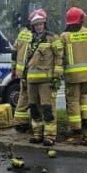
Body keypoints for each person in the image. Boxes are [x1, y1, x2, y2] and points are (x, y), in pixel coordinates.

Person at [22, 9, 63, 146]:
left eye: (41, 24)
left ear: (44, 24)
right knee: (34, 108)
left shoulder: (53, 38)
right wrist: (24, 77)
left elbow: (59, 58)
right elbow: (26, 60)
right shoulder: (30, 39)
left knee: (47, 108)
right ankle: (37, 134)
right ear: (33, 26)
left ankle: (50, 136)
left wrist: (57, 77)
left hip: (46, 80)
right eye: (36, 25)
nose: (39, 27)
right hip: (31, 80)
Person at [60, 7, 87, 135]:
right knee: (83, 96)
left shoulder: (65, 36)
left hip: (72, 75)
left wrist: (58, 71)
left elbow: (60, 56)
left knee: (73, 100)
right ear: (81, 19)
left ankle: (75, 127)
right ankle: (85, 120)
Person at [10, 17, 34, 132]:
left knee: (23, 96)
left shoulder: (22, 34)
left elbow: (14, 52)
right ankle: (34, 124)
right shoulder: (37, 36)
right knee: (33, 98)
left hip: (21, 72)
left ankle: (19, 123)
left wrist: (13, 69)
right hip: (31, 72)